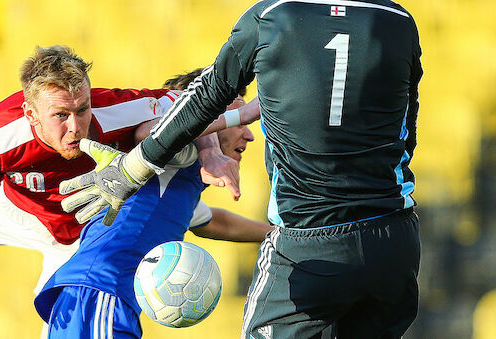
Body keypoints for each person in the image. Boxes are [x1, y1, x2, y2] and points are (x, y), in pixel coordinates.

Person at [66, 1, 423, 338]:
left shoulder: (270, 16)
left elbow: (204, 96)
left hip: (308, 241)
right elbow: (407, 134)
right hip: (394, 242)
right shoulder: (401, 22)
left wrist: (131, 170)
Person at [0, 45, 260, 320]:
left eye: (82, 110)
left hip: (79, 222)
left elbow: (186, 101)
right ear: (31, 114)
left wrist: (209, 149)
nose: (75, 127)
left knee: (59, 315)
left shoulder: (115, 109)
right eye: (60, 115)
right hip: (16, 211)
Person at [34, 76, 272, 338]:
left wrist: (278, 234)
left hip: (103, 297)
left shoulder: (179, 190)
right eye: (235, 111)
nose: (248, 132)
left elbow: (214, 222)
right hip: (100, 289)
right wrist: (236, 119)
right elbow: (151, 133)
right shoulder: (179, 154)